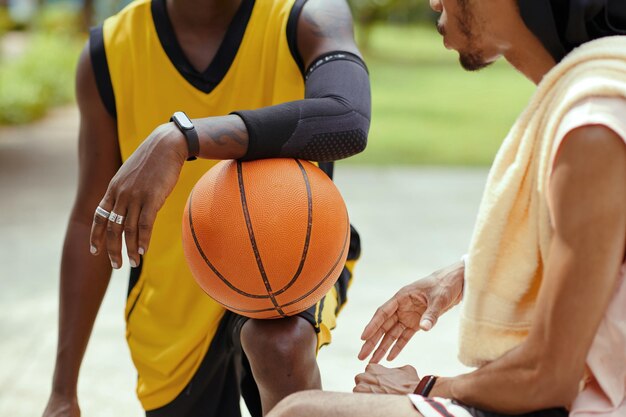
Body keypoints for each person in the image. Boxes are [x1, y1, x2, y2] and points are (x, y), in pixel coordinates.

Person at [266, 0, 626, 416]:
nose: (435, 1)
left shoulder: (595, 122)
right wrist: (465, 272)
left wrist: (423, 387)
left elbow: (546, 379)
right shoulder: (601, 95)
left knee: (302, 413)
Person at [42, 0, 370, 416]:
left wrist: (184, 138)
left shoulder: (307, 15)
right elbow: (92, 213)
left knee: (280, 344)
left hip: (294, 257)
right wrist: (62, 390)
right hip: (172, 294)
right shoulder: (108, 51)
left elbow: (348, 116)